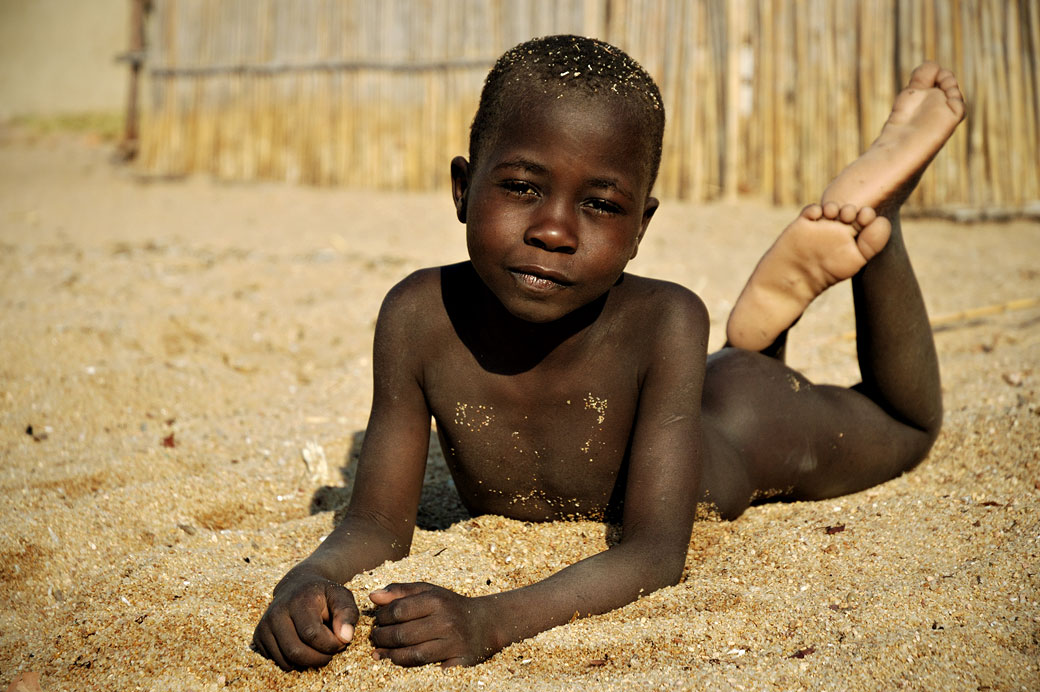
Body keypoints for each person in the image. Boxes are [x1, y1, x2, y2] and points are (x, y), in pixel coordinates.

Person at [252, 35, 965, 670]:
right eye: (523, 188)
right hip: (685, 401)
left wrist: (489, 617)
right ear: (463, 187)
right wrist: (306, 580)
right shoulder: (416, 317)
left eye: (600, 204)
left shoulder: (665, 319)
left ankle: (878, 227)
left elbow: (656, 552)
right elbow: (376, 524)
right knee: (738, 371)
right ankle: (767, 324)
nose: (555, 231)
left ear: (641, 226)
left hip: (741, 428)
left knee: (905, 425)